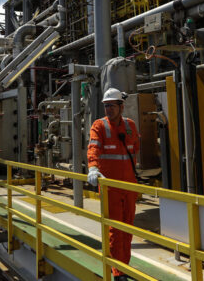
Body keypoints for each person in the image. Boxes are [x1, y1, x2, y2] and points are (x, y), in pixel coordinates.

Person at [87, 87, 140, 281]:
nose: (108, 109)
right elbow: (93, 149)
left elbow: (135, 149)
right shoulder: (99, 126)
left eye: (112, 105)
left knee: (128, 229)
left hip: (130, 186)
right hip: (111, 187)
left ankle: (124, 266)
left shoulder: (130, 126)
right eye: (106, 106)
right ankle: (118, 273)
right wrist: (93, 168)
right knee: (115, 230)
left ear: (121, 106)